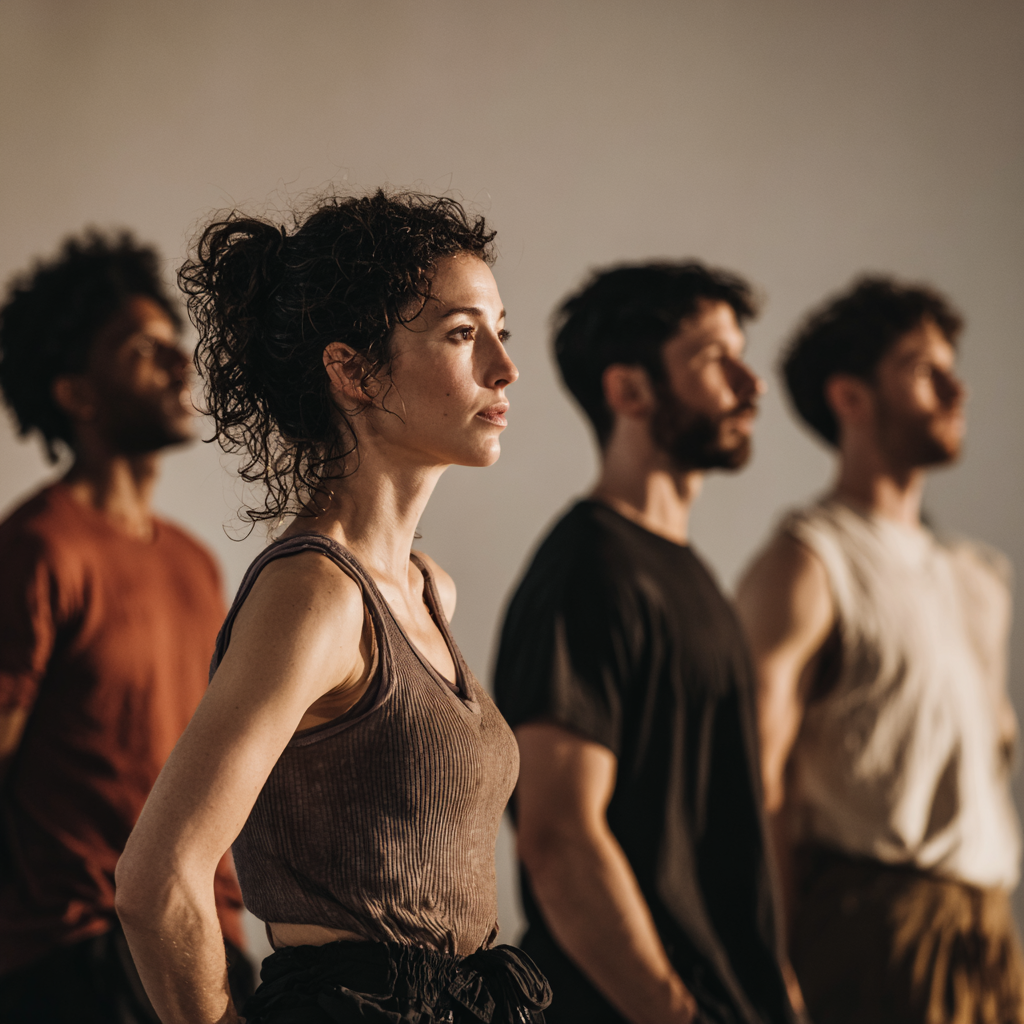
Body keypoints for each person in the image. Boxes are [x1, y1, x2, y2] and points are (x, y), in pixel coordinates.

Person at [114, 189, 551, 1024]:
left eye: (501, 330)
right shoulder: (316, 596)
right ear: (352, 371)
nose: (504, 366)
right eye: (464, 335)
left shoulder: (427, 587)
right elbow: (155, 879)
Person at [495, 263, 800, 1024]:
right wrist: (673, 1013)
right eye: (710, 359)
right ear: (629, 391)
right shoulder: (587, 573)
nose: (749, 383)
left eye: (742, 354)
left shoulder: (689, 576)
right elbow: (560, 838)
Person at [737, 276, 1024, 1024]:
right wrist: (771, 959)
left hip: (989, 929)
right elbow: (757, 781)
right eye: (924, 370)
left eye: (950, 367)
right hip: (875, 930)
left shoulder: (981, 580)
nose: (955, 389)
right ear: (851, 398)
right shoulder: (809, 560)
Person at [0, 232, 252, 1023]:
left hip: (211, 941)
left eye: (174, 343)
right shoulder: (38, 549)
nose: (181, 364)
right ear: (77, 394)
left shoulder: (193, 563)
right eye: (145, 350)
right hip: (78, 958)